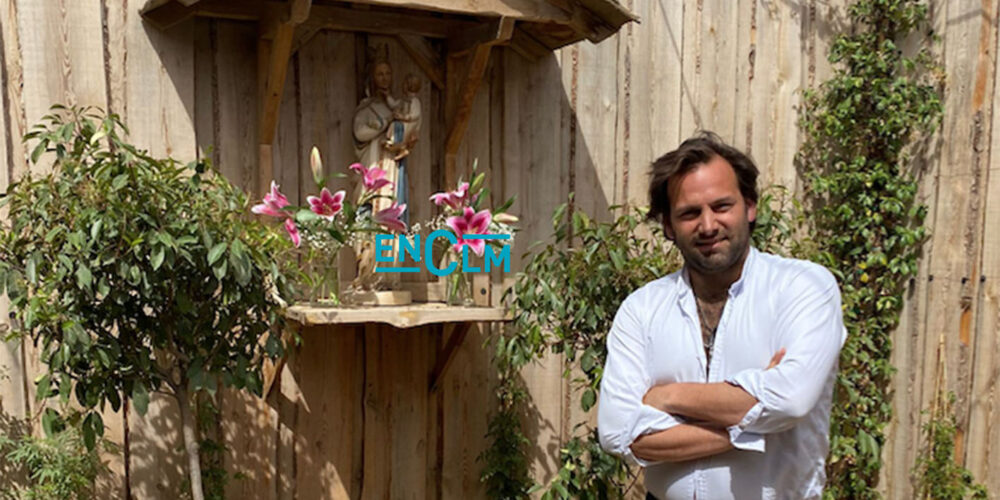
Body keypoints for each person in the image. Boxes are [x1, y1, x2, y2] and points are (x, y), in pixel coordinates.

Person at [597, 132, 846, 500]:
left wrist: (668, 396)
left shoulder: (803, 288)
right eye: (690, 213)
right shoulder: (642, 309)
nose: (708, 225)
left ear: (749, 206)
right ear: (668, 225)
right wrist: (759, 422)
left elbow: (791, 400)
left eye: (721, 206)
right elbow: (618, 432)